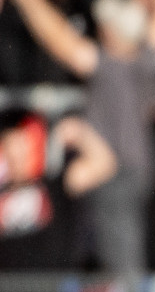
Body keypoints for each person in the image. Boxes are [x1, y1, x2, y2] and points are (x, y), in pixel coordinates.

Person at [0, 0, 155, 271]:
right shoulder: (149, 61)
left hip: (112, 176)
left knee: (115, 265)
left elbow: (60, 39)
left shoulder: (111, 65)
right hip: (138, 173)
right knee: (125, 256)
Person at [0, 106, 117, 270]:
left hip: (56, 282)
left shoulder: (58, 184)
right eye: (10, 147)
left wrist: (80, 133)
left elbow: (105, 163)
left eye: (23, 147)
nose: (17, 157)